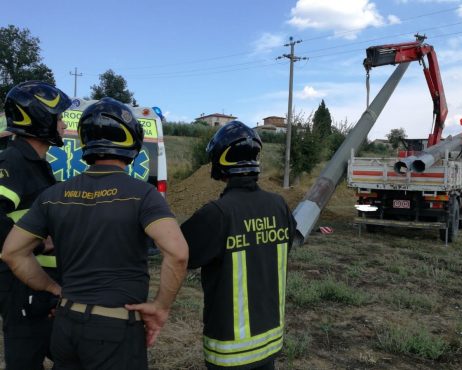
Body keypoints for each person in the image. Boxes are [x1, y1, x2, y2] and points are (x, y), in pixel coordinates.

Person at [2, 97, 189, 370]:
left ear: (84, 142)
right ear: (131, 140)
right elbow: (178, 253)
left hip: (65, 326)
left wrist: (54, 289)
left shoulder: (53, 195)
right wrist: (160, 308)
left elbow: (11, 252)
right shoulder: (143, 194)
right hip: (115, 331)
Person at [180, 121, 297, 370]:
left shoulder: (218, 213)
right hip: (269, 343)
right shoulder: (279, 205)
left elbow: (181, 253)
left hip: (230, 351)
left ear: (220, 163)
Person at [0, 81, 71, 369]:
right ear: (40, 120)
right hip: (20, 284)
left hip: (39, 281)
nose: (64, 124)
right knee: (25, 360)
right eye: (58, 118)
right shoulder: (13, 161)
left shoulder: (36, 163)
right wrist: (38, 242)